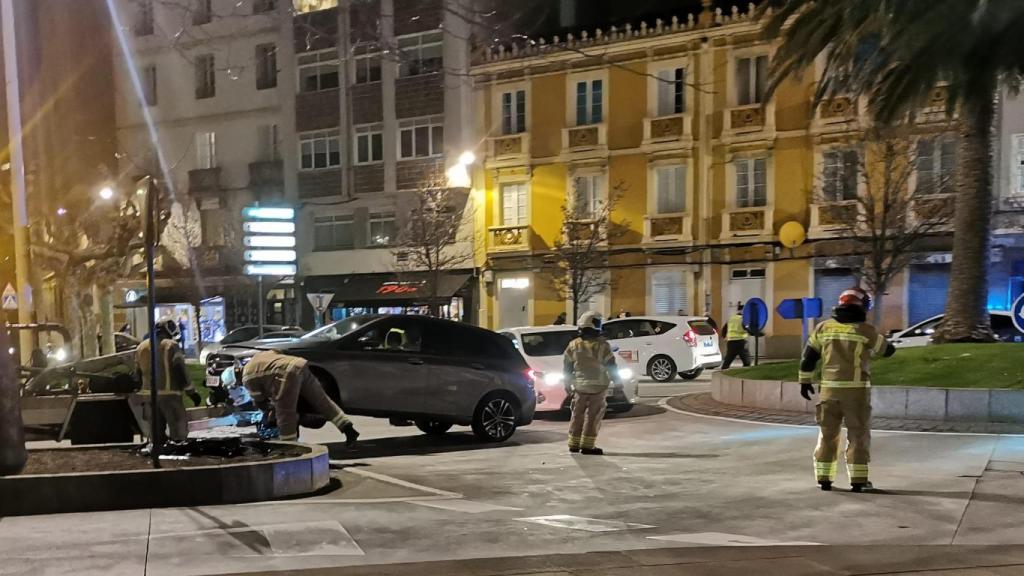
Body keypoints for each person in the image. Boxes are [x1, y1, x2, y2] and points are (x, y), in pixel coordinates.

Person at [799, 287, 896, 493]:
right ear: (863, 306)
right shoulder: (865, 330)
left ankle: (824, 478)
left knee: (827, 435)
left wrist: (805, 381)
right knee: (858, 435)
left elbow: (808, 357)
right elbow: (887, 351)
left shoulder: (823, 328)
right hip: (856, 393)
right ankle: (858, 481)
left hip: (828, 393)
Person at [242, 349, 360, 445]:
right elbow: (278, 351)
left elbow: (260, 401)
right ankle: (348, 428)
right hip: (300, 365)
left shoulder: (246, 377)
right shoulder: (258, 357)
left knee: (285, 414)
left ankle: (290, 447)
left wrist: (268, 411)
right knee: (322, 401)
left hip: (286, 373)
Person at [563, 311, 620, 455]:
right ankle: (588, 446)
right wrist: (618, 382)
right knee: (593, 417)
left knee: (577, 415)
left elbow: (567, 367)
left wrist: (567, 383)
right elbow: (611, 366)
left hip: (579, 387)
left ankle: (573, 444)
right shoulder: (603, 346)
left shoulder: (573, 345)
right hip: (598, 387)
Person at [135, 318, 197, 443]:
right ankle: (178, 452)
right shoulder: (171, 345)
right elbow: (179, 369)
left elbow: (137, 374)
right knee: (179, 434)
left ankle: (159, 451)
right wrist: (191, 392)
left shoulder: (141, 347)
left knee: (156, 437)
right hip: (169, 396)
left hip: (148, 397)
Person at [720, 302, 751, 369]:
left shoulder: (731, 318)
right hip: (741, 342)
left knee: (727, 361)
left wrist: (724, 337)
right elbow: (748, 329)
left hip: (731, 342)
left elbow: (724, 329)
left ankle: (724, 371)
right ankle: (744, 373)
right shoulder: (743, 319)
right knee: (747, 362)